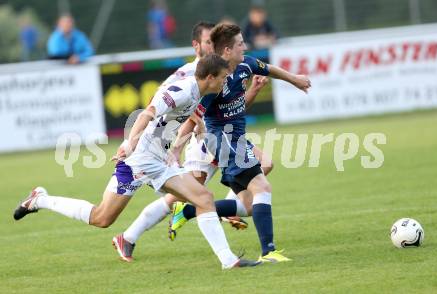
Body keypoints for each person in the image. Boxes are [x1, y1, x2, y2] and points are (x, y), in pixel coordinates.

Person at [13, 54, 259, 269]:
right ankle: (40, 199)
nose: (226, 81)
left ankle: (229, 261)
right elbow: (147, 113)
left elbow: (192, 115)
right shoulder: (182, 90)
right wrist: (129, 142)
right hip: (139, 159)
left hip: (159, 160)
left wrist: (200, 133)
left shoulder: (200, 92)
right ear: (210, 77)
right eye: (223, 77)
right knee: (102, 218)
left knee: (203, 198)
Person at [110, 21, 270, 262]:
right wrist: (176, 146)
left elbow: (232, 108)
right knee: (183, 196)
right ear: (197, 46)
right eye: (208, 42)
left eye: (214, 42)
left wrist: (254, 91)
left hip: (220, 136)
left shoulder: (224, 70)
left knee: (263, 165)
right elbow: (172, 110)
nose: (212, 46)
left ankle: (219, 212)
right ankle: (130, 236)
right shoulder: (192, 74)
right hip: (201, 141)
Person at [168, 23, 311, 263]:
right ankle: (269, 252)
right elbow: (193, 117)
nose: (245, 46)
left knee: (248, 205)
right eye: (240, 44)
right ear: (227, 50)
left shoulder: (245, 64)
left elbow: (269, 69)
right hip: (223, 139)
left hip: (236, 137)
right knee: (263, 187)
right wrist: (177, 149)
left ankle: (188, 210)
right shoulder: (215, 82)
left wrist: (294, 79)